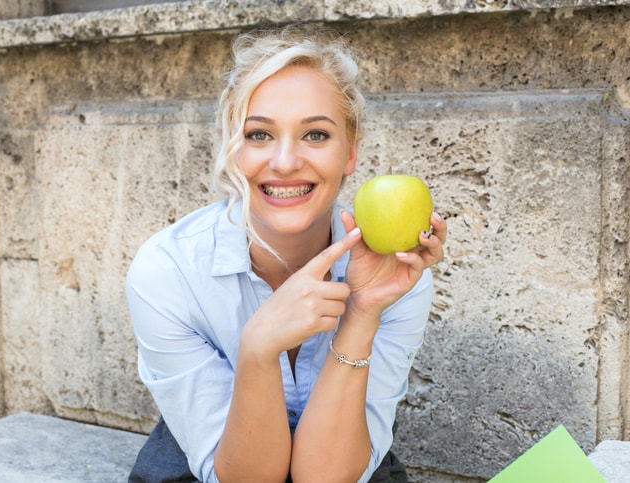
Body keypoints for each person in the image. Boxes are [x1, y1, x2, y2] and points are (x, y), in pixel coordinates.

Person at [126, 27, 447, 483]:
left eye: (315, 134)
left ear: (350, 152)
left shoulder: (395, 271)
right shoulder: (167, 272)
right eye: (259, 135)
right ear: (231, 147)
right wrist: (258, 350)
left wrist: (362, 313)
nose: (284, 161)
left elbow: (326, 477)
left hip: (341, 451)